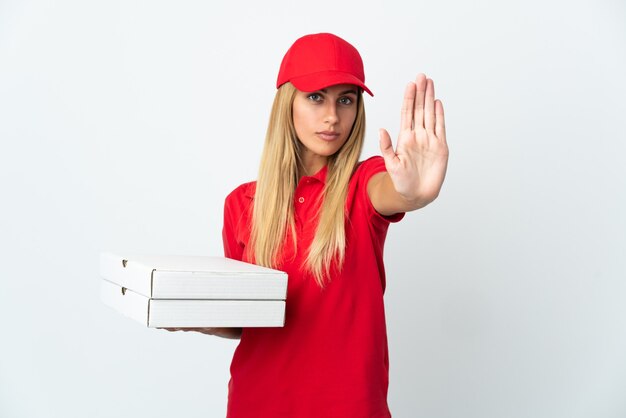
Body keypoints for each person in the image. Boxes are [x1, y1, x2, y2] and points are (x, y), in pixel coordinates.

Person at [172, 32, 448, 417]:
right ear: (287, 102)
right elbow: (250, 323)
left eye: (345, 100)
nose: (332, 115)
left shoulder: (363, 183)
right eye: (316, 96)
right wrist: (193, 316)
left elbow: (395, 192)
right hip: (257, 404)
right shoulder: (241, 204)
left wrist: (415, 192)